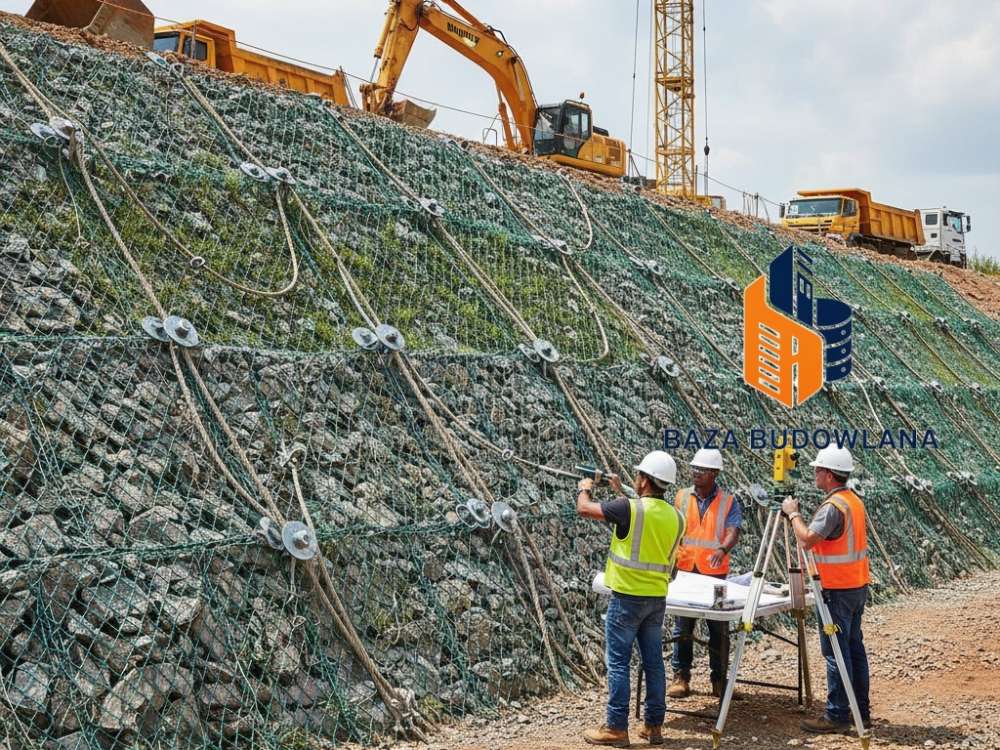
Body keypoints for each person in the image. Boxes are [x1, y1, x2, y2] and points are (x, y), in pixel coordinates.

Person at [576, 451, 686, 747]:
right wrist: (617, 489)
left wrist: (584, 486)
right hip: (656, 600)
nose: (635, 479)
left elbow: (585, 509)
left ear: (645, 480)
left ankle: (616, 727)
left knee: (619, 663)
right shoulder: (678, 518)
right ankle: (653, 727)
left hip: (626, 599)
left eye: (638, 476)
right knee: (653, 663)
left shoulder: (630, 508)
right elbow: (668, 559)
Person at [782, 445, 871, 734]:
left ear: (830, 475)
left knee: (836, 652)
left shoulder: (833, 507)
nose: (815, 474)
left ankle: (837, 715)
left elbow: (807, 539)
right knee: (854, 648)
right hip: (856, 586)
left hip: (836, 590)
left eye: (818, 469)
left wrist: (793, 514)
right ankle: (861, 710)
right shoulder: (853, 501)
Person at [668, 449, 742, 699]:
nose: (695, 473)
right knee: (683, 626)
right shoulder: (681, 497)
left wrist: (723, 548)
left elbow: (733, 530)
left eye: (701, 470)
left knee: (719, 628)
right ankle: (681, 677)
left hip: (715, 575)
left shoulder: (728, 501)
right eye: (694, 469)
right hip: (685, 571)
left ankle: (719, 680)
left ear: (714, 473)